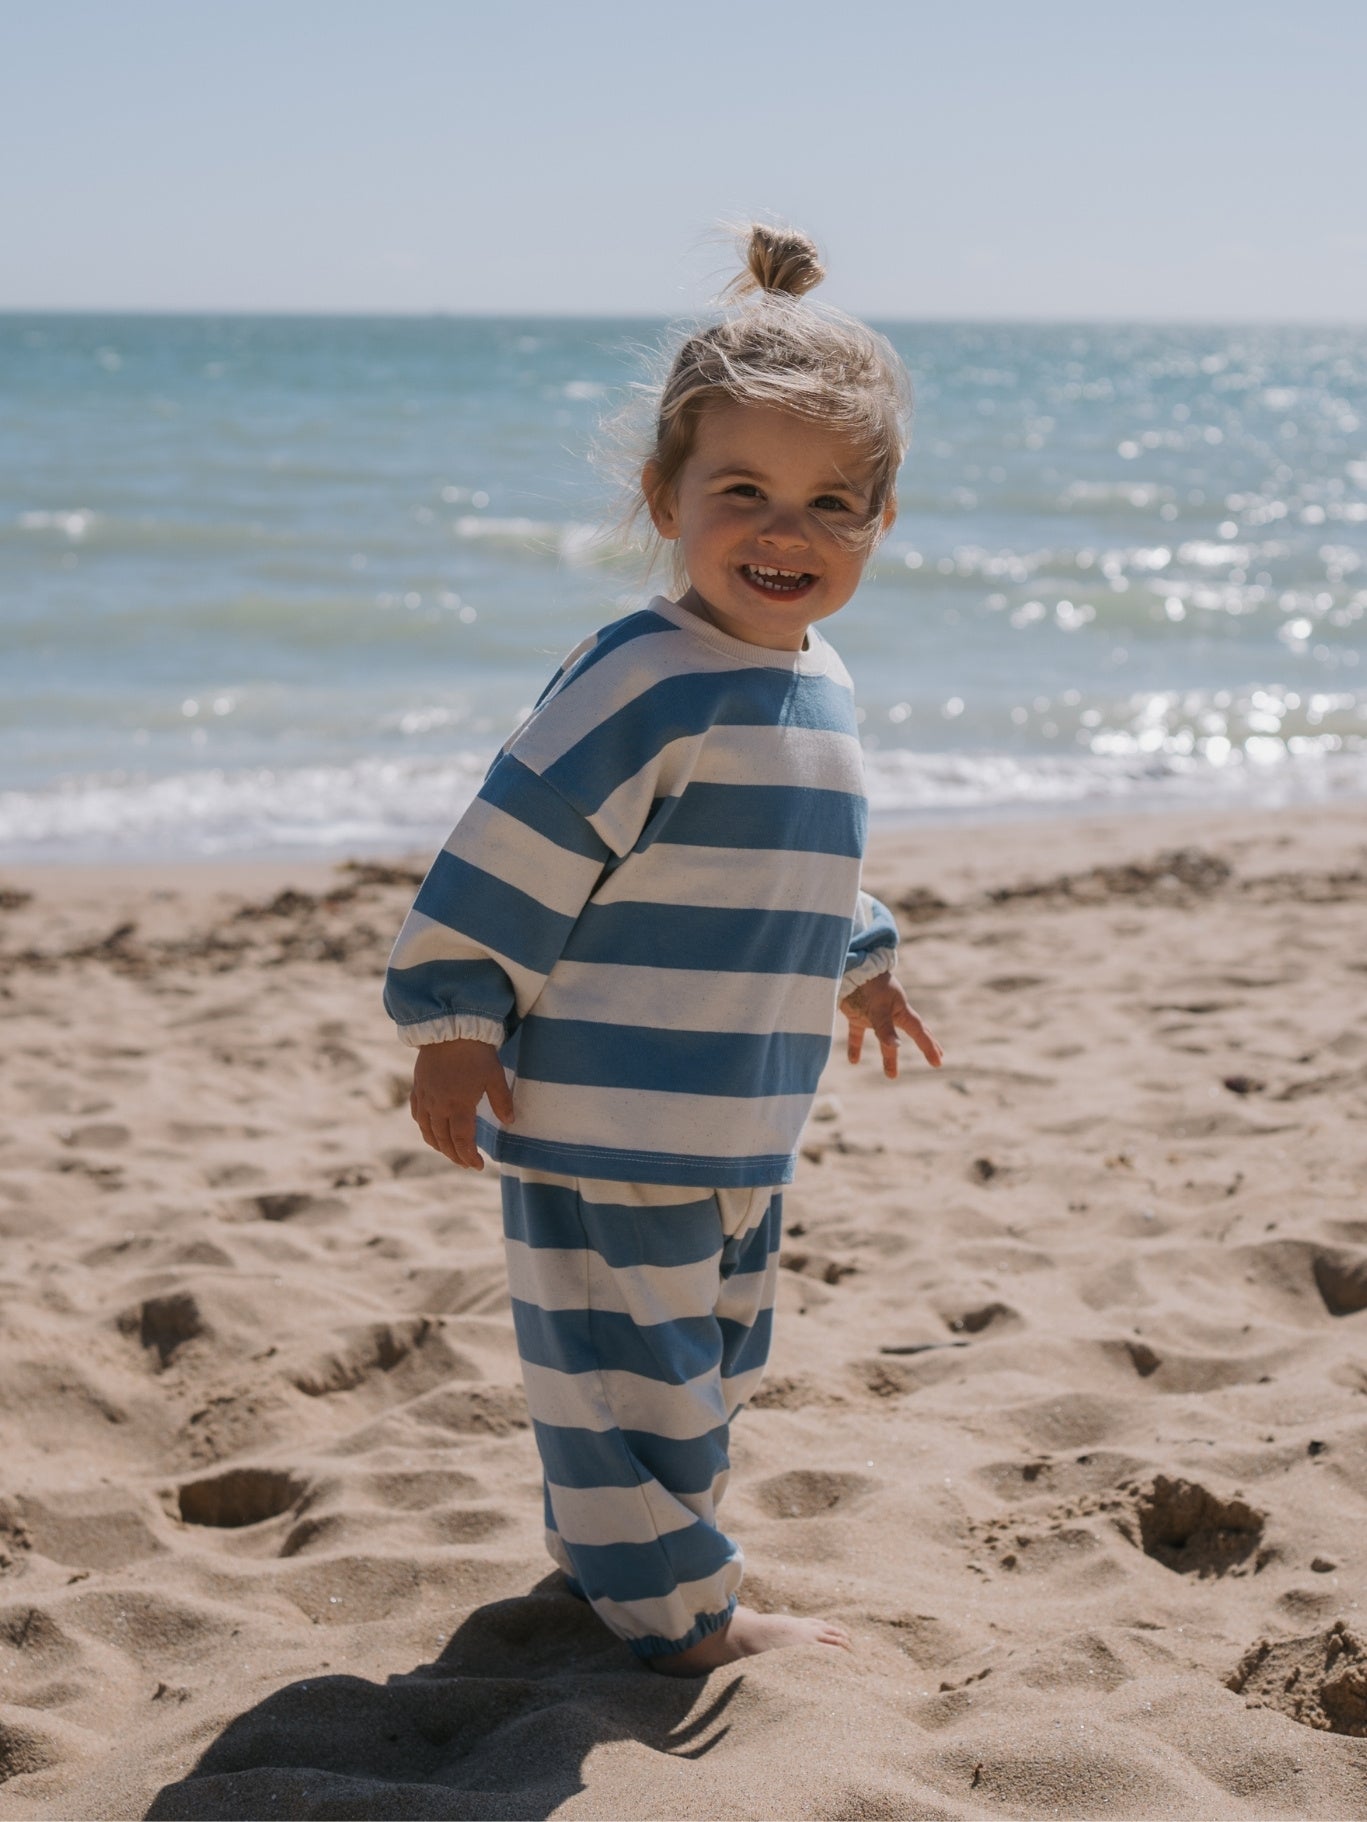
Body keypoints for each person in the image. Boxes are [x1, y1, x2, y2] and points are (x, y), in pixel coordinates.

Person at [383, 223, 943, 1676]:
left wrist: (862, 958)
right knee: (636, 1386)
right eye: (742, 490)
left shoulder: (818, 680)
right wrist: (456, 1016)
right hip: (609, 1115)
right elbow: (518, 837)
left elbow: (797, 857)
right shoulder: (640, 673)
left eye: (833, 503)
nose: (786, 532)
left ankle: (618, 1568)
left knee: (702, 1372)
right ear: (663, 497)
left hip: (740, 1124)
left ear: (883, 519)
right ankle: (682, 1615)